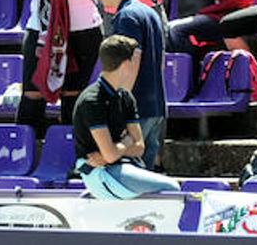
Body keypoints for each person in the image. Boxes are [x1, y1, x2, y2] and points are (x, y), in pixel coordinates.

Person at [71, 34, 181, 199]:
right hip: (100, 172)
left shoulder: (126, 97)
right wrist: (125, 142)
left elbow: (139, 147)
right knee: (172, 188)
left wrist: (112, 152)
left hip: (119, 165)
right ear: (126, 64)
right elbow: (115, 153)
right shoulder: (92, 100)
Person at [92, 0, 168, 169]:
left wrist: (120, 104)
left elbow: (130, 62)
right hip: (156, 105)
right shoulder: (149, 12)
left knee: (128, 172)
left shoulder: (126, 17)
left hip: (138, 108)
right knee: (146, 173)